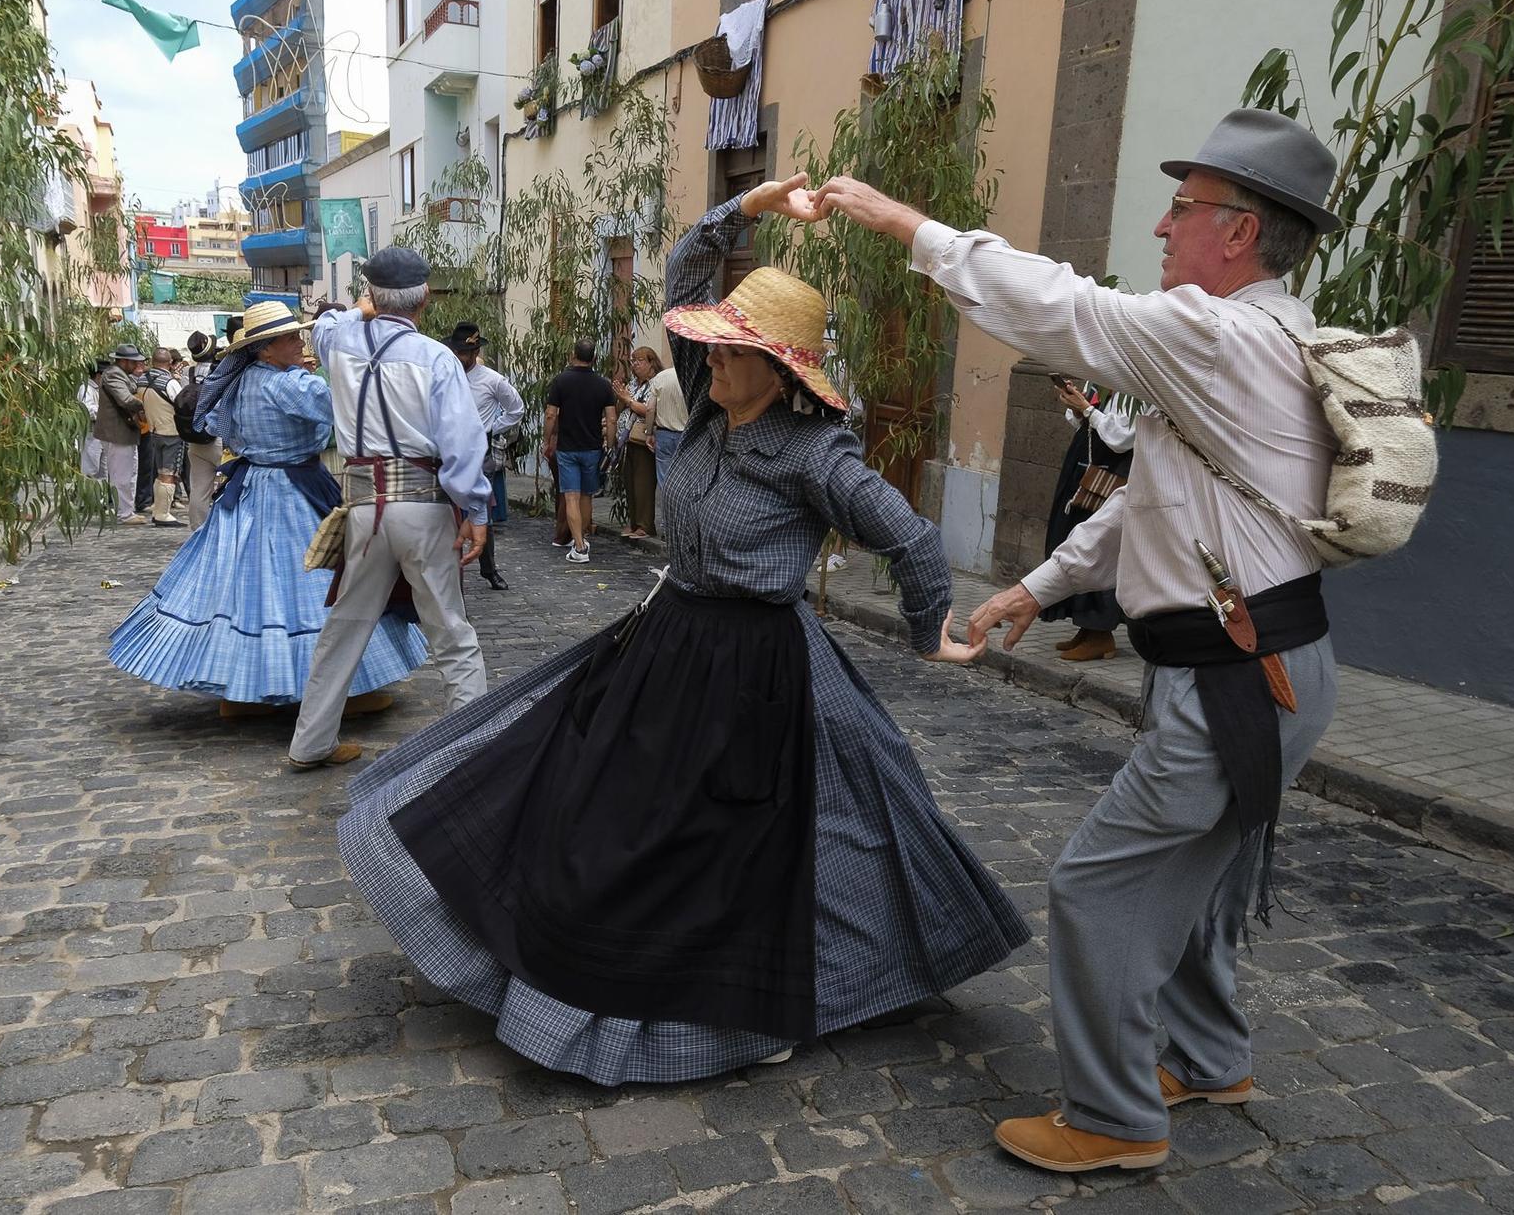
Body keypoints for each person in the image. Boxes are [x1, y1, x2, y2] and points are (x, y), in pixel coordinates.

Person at [331, 176, 1028, 1085]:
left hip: (753, 666)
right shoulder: (707, 399)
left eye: (733, 352)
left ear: (779, 372)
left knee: (742, 835)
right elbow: (684, 273)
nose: (706, 357)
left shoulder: (817, 454)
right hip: (665, 639)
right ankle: (551, 940)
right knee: (593, 793)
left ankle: (755, 991)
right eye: (711, 347)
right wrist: (753, 205)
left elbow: (911, 536)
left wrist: (929, 627)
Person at [813, 109, 1343, 1173]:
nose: (1160, 224)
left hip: (1237, 676)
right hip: (1258, 664)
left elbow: (1058, 307)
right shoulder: (1259, 341)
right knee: (1191, 877)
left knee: (1098, 884)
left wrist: (894, 221)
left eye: (1182, 207)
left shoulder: (1221, 335)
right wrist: (1033, 586)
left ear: (1237, 232)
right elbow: (1149, 503)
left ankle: (1110, 1117)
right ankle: (1204, 1055)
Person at [109, 302, 427, 713]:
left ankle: (243, 694)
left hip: (251, 487)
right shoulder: (289, 385)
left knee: (247, 588)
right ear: (264, 349)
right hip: (293, 488)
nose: (299, 341)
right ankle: (342, 690)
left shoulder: (242, 382)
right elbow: (351, 403)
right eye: (290, 337)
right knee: (312, 585)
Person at [285, 247, 489, 770]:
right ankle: (471, 747)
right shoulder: (437, 358)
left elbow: (327, 322)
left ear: (371, 295)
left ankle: (310, 742)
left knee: (345, 626)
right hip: (422, 504)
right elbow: (463, 446)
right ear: (424, 299)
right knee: (449, 627)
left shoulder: (339, 342)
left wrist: (362, 308)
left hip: (362, 507)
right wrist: (477, 512)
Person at [1042, 378, 1142, 662]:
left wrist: (1087, 410)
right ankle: (1085, 628)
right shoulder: (1104, 378)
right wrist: (1078, 409)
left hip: (1111, 470)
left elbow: (1122, 437)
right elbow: (1087, 424)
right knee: (1071, 537)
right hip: (1087, 463)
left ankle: (1100, 633)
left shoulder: (1136, 385)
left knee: (1096, 546)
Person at [446, 322, 524, 591]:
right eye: (455, 352)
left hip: (480, 452)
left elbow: (516, 409)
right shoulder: (443, 375)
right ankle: (446, 568)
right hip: (447, 450)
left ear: (475, 351)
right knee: (447, 511)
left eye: (464, 353)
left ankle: (489, 569)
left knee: (481, 511)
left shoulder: (493, 380)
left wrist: (491, 428)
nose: (459, 357)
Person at [543, 339, 616, 563]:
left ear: (573, 355)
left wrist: (547, 440)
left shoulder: (561, 381)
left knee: (571, 496)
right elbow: (611, 418)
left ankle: (580, 547)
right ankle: (582, 538)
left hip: (568, 447)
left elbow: (551, 414)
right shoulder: (603, 384)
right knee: (586, 496)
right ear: (594, 358)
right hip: (592, 446)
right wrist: (610, 445)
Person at [611, 346, 662, 540]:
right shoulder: (633, 383)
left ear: (651, 363)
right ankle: (634, 522)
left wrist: (628, 399)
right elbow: (622, 406)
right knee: (630, 481)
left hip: (643, 438)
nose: (635, 365)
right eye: (633, 361)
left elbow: (650, 409)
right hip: (627, 438)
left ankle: (645, 525)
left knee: (643, 482)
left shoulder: (655, 383)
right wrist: (621, 398)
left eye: (639, 361)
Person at [95, 344, 147, 525]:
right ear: (123, 361)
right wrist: (146, 405)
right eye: (133, 362)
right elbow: (125, 399)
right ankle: (124, 513)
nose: (136, 366)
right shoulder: (114, 374)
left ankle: (127, 510)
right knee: (121, 475)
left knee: (129, 472)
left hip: (123, 431)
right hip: (117, 431)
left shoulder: (121, 374)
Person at [138, 347, 184, 527]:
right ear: (170, 363)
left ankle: (158, 509)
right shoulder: (170, 383)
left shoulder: (141, 380)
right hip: (172, 431)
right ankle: (163, 513)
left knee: (159, 472)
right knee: (169, 473)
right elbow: (182, 403)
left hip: (153, 430)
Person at [179, 334, 222, 528]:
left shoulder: (186, 373)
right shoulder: (220, 371)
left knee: (199, 488)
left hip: (194, 438)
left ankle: (198, 529)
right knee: (228, 484)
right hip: (218, 436)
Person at [649, 357, 688, 538]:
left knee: (665, 481)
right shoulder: (689, 377)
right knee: (686, 480)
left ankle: (667, 526)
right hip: (687, 434)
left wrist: (649, 432)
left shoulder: (661, 378)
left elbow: (650, 408)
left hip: (664, 434)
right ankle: (684, 524)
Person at [77, 359, 108, 479]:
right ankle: (88, 496)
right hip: (91, 435)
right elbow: (88, 411)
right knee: (90, 469)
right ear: (99, 375)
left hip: (104, 435)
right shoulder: (85, 389)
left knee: (103, 471)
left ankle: (102, 496)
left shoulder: (101, 389)